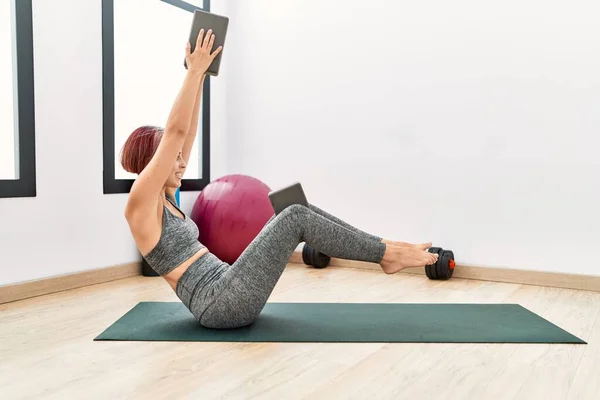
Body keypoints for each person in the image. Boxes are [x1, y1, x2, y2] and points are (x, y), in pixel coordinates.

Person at [121, 30, 439, 329]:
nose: (181, 163)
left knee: (293, 205)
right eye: (173, 158)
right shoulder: (141, 204)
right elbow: (176, 134)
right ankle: (386, 254)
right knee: (294, 215)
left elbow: (187, 131)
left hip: (228, 288)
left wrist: (202, 76)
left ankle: (384, 247)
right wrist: (191, 72)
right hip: (218, 304)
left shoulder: (165, 197)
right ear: (153, 163)